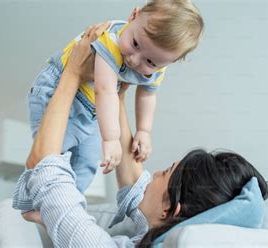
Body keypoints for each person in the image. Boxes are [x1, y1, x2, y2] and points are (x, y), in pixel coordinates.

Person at [0, 23, 268, 248]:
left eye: (164, 173)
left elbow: (43, 164)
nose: (152, 173)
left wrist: (72, 75)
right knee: (7, 212)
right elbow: (133, 185)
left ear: (170, 209)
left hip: (65, 91)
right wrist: (118, 90)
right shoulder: (155, 233)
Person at [28, 0, 204, 193]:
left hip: (95, 109)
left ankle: (68, 201)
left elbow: (147, 95)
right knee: (50, 156)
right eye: (135, 44)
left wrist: (144, 131)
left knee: (87, 165)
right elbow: (105, 90)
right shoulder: (110, 40)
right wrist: (112, 139)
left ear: (170, 62)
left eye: (150, 62)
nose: (134, 60)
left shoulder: (158, 67)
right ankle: (35, 197)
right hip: (58, 87)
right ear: (133, 16)